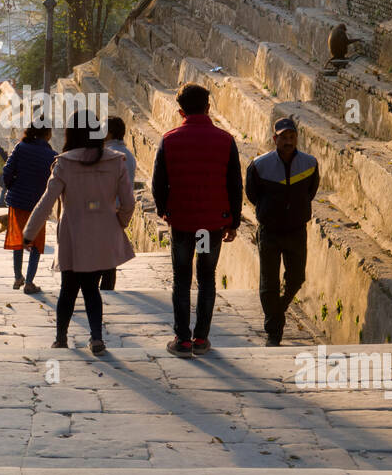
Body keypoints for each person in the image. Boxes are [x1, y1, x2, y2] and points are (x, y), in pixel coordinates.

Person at [23, 110, 135, 354]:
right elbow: (128, 204)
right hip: (102, 235)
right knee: (92, 288)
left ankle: (61, 338)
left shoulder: (64, 163)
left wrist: (28, 233)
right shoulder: (116, 161)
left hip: (73, 235)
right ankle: (96, 338)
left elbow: (46, 201)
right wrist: (118, 224)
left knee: (68, 288)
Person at [152, 83, 242, 358]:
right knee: (206, 277)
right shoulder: (225, 140)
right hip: (210, 225)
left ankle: (182, 340)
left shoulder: (170, 139)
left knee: (181, 278)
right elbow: (234, 184)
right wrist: (233, 221)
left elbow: (159, 183)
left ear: (180, 111)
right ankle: (201, 338)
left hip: (182, 222)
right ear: (208, 107)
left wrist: (164, 210)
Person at [246, 116, 319, 346]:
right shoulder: (259, 165)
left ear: (297, 138)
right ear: (274, 138)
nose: (288, 141)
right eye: (283, 137)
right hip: (270, 230)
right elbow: (252, 194)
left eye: (292, 137)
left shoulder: (309, 163)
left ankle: (278, 310)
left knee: (297, 277)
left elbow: (311, 191)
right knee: (269, 282)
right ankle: (274, 332)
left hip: (297, 230)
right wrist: (269, 211)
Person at [3, 122, 56, 293]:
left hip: (18, 201)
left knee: (19, 238)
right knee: (36, 243)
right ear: (47, 134)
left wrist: (12, 187)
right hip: (39, 205)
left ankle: (18, 276)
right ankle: (29, 282)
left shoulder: (21, 147)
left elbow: (7, 171)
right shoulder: (52, 155)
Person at [99, 115, 137, 291]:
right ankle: (107, 291)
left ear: (110, 132)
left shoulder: (107, 155)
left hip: (101, 211)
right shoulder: (129, 155)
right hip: (118, 212)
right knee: (110, 258)